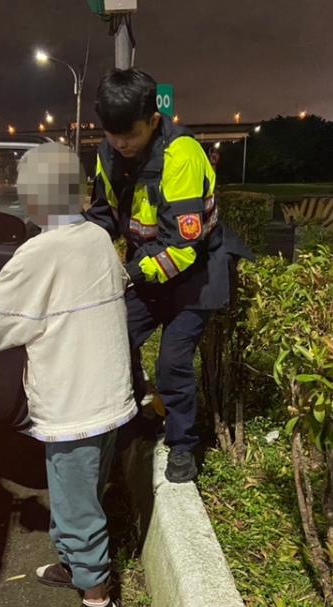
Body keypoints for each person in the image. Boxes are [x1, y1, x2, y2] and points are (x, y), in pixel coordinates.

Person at [0, 142, 135, 607]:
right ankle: (75, 566)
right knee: (83, 490)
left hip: (75, 402)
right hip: (107, 393)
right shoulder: (96, 238)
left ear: (37, 197)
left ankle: (98, 599)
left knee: (74, 505)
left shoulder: (41, 252)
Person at [84, 68, 253, 483]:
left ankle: (183, 445)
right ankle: (138, 415)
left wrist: (124, 275)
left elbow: (182, 248)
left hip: (194, 273)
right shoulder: (108, 154)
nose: (121, 144)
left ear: (154, 120)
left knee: (173, 363)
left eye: (131, 135)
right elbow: (103, 216)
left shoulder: (182, 155)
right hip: (147, 269)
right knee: (113, 340)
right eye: (112, 135)